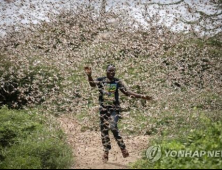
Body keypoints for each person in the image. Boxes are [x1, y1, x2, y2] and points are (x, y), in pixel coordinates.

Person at [84, 65, 153, 163]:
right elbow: (92, 84)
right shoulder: (101, 80)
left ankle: (123, 148)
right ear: (106, 71)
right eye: (110, 71)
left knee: (113, 126)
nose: (112, 73)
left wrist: (142, 96)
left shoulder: (117, 82)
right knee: (104, 131)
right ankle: (106, 152)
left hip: (114, 109)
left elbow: (127, 92)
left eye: (113, 71)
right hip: (103, 110)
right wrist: (89, 76)